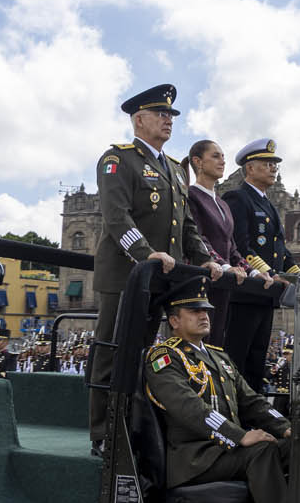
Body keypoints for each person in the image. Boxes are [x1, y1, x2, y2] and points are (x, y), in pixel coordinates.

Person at [89, 84, 221, 454]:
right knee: (112, 351)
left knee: (147, 353)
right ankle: (102, 433)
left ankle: (133, 424)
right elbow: (116, 217)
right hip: (125, 274)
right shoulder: (118, 159)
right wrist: (145, 253)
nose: (168, 121)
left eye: (171, 116)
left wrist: (204, 257)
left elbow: (187, 225)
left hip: (162, 279)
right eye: (161, 114)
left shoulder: (177, 171)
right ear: (139, 119)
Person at [143, 280, 291, 503]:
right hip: (196, 458)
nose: (204, 316)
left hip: (225, 453)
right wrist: (238, 436)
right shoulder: (164, 358)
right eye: (195, 312)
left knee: (297, 447)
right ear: (174, 321)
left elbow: (253, 402)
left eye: (206, 311)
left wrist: (286, 427)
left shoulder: (218, 357)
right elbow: (188, 407)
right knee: (261, 451)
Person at [223, 139, 300, 394]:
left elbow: (281, 250)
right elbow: (241, 246)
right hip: (247, 291)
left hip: (268, 294)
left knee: (257, 360)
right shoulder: (238, 198)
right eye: (267, 164)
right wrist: (266, 273)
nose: (273, 168)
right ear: (250, 168)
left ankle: (252, 417)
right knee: (237, 359)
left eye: (274, 164)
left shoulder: (269, 205)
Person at [182, 139, 267, 346]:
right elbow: (198, 239)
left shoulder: (222, 203)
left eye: (223, 157)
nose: (222, 161)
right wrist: (226, 266)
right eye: (215, 156)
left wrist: (253, 271)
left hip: (223, 286)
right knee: (197, 342)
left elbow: (233, 247)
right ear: (198, 162)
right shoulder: (191, 196)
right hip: (201, 282)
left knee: (216, 343)